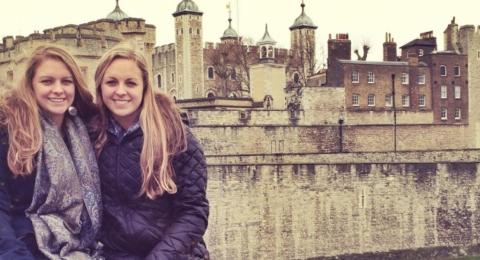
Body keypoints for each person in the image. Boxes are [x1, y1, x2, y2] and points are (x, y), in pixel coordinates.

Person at [91, 46, 209, 260]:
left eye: (131, 83)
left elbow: (193, 212)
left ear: (145, 88)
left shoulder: (177, 137)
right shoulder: (91, 135)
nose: (120, 91)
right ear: (100, 87)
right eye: (111, 82)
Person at [0, 45, 102, 259]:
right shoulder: (9, 131)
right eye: (47, 81)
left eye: (66, 81)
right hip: (25, 247)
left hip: (82, 247)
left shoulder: (84, 129)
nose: (58, 90)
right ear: (31, 86)